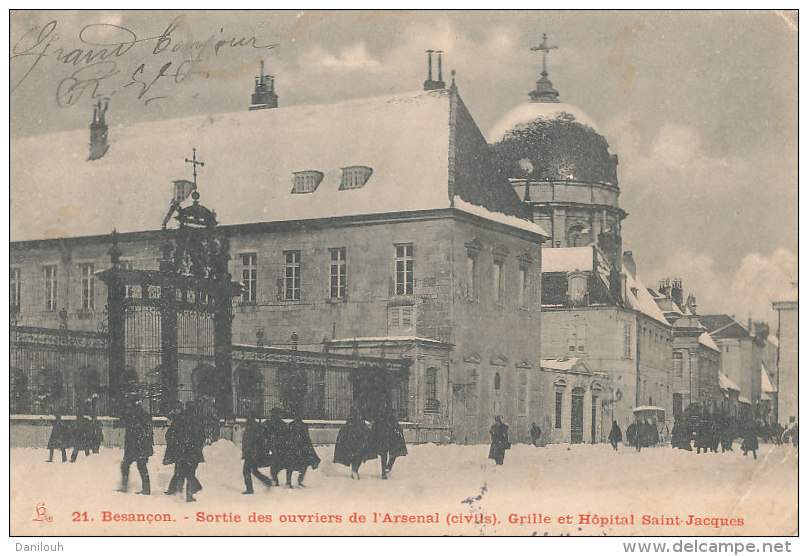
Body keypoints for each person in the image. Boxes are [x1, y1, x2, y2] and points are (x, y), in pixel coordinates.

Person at [118, 400, 154, 495]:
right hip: (135, 447)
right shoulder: (134, 415)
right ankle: (142, 488)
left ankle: (145, 489)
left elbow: (143, 432)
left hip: (138, 446)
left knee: (139, 466)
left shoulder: (138, 416)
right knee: (129, 465)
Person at [333, 406, 375, 479]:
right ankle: (354, 470)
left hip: (359, 438)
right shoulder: (352, 423)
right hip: (354, 439)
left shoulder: (358, 422)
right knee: (356, 454)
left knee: (358, 455)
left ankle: (355, 470)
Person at [176, 402, 206, 502]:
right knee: (191, 471)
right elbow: (202, 435)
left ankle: (185, 491)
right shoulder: (197, 419)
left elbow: (177, 433)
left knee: (185, 471)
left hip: (184, 450)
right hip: (194, 450)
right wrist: (199, 445)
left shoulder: (182, 418)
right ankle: (191, 493)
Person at [370, 403, 407, 479]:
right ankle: (388, 468)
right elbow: (398, 427)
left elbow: (374, 429)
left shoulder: (379, 418)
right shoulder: (391, 418)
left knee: (384, 456)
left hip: (383, 439)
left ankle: (384, 472)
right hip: (391, 439)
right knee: (393, 455)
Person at [285, 414, 321, 487]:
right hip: (295, 448)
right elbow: (288, 436)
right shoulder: (292, 425)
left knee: (302, 465)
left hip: (300, 448)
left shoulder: (302, 425)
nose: (298, 418)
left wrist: (308, 445)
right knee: (292, 465)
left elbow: (306, 437)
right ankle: (290, 482)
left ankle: (298, 481)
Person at [241, 414, 273, 494]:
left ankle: (250, 489)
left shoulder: (252, 427)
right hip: (253, 452)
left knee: (246, 470)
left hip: (252, 452)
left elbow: (252, 440)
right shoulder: (255, 425)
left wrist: (249, 450)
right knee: (254, 470)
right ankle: (267, 481)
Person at [263, 408, 292, 486]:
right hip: (277, 448)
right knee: (282, 465)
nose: (279, 416)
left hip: (280, 448)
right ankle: (284, 482)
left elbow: (288, 436)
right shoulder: (270, 424)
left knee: (279, 465)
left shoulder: (281, 424)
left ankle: (282, 482)